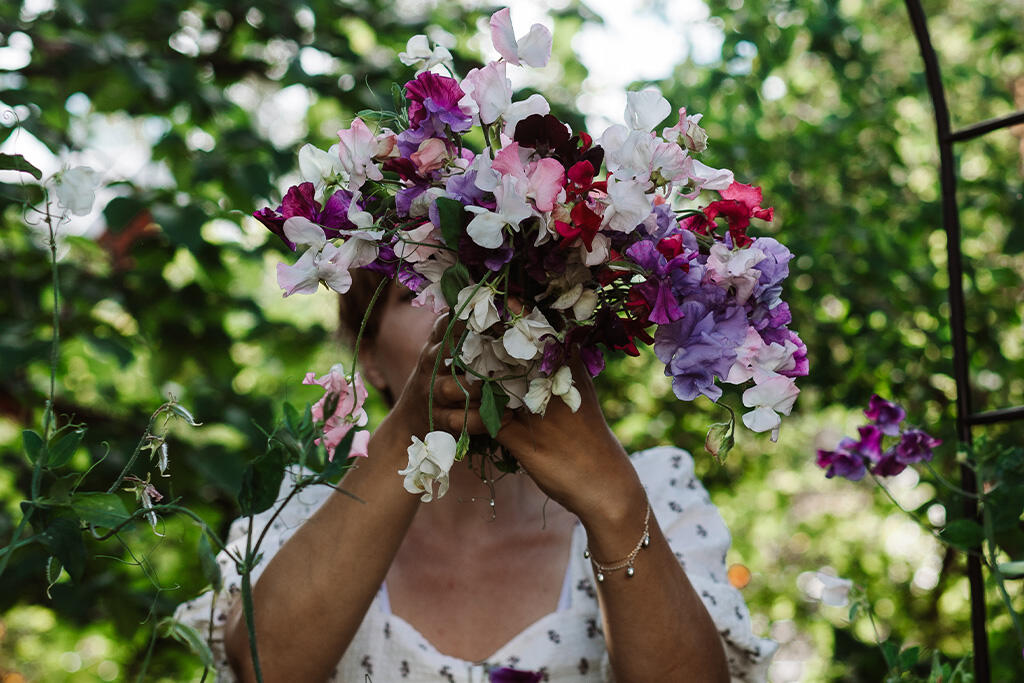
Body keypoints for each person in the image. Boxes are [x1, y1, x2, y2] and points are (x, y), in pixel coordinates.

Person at [174, 270, 776, 682]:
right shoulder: (305, 511)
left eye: (501, 285)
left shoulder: (656, 493)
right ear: (369, 358)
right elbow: (263, 668)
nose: (468, 310)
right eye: (422, 287)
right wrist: (412, 427)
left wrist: (614, 506)